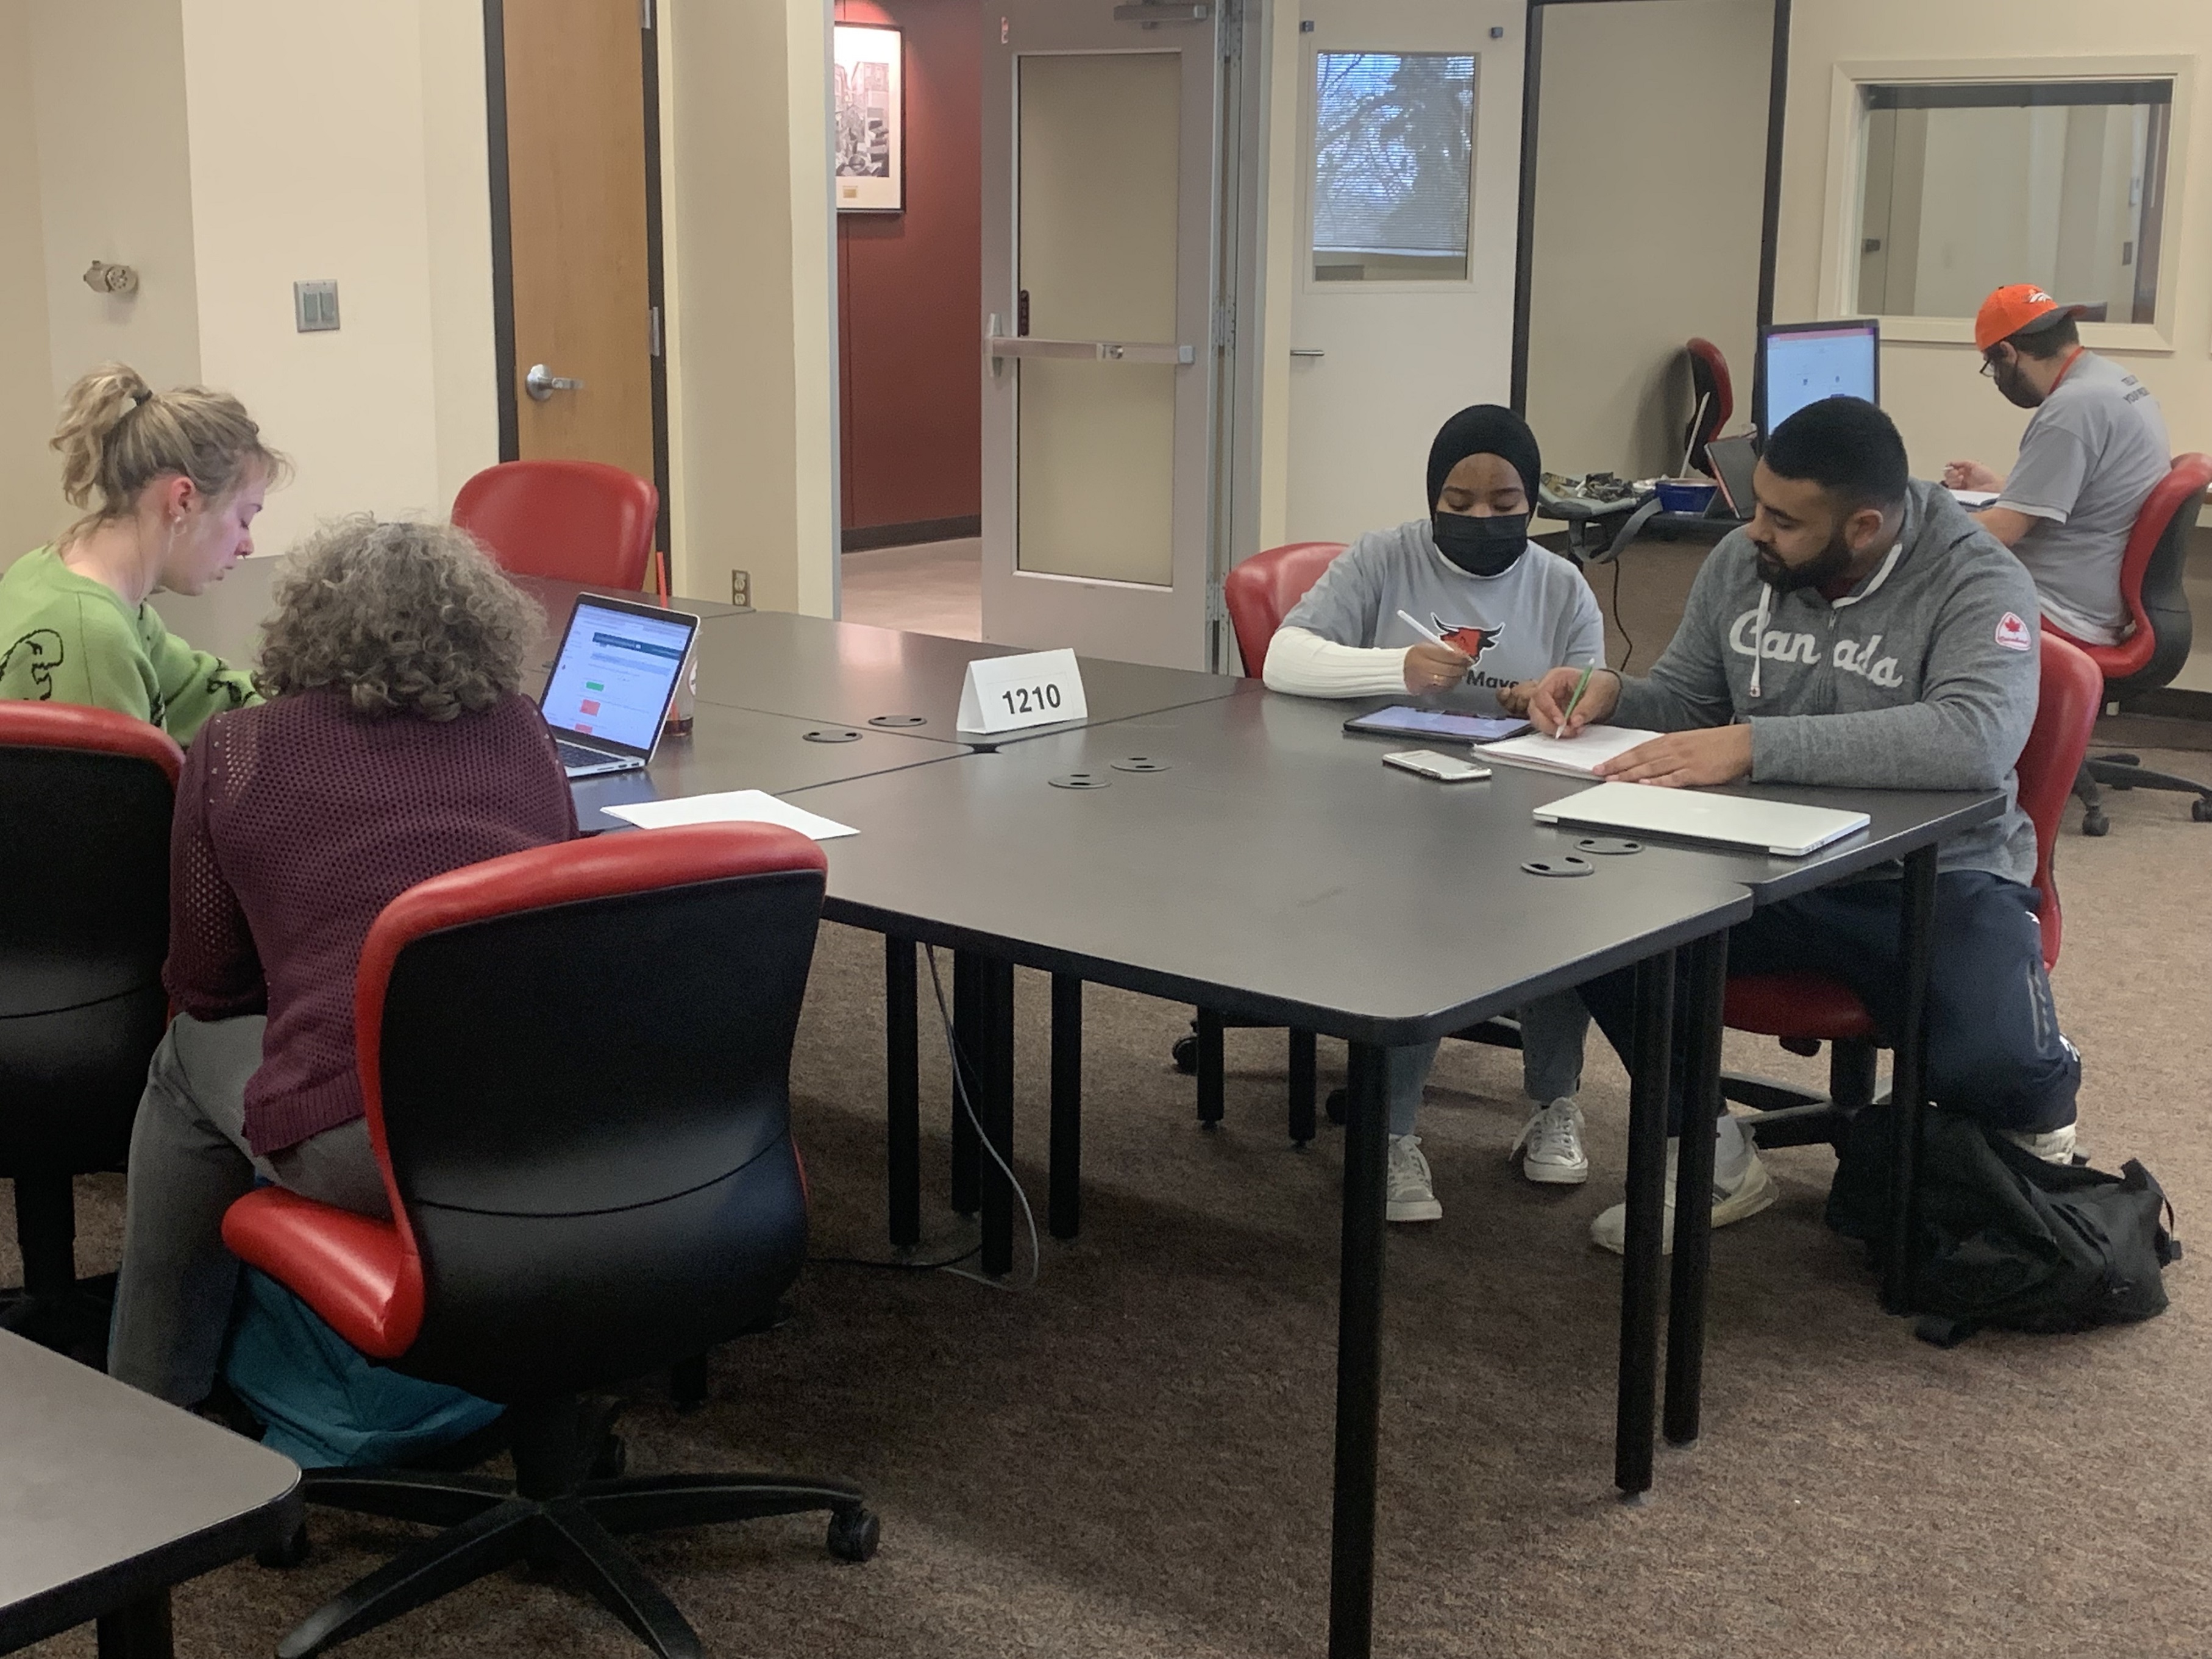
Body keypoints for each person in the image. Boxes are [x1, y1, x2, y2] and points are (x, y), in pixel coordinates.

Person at [1507, 397, 2080, 1252]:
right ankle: (1711, 1149)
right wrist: (1618, 693)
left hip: (1932, 875)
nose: (1752, 530)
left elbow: (1974, 736)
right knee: (1596, 924)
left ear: (1864, 526)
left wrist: (1755, 745)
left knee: (2000, 1076)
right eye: (1758, 503)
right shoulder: (1748, 565)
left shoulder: (1977, 577)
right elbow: (1694, 704)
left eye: (1782, 518)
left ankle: (2036, 1082)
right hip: (1760, 857)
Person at [107, 517, 578, 1408]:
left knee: (183, 1062)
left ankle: (150, 1409)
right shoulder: (526, 732)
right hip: (545, 1119)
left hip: (370, 1143)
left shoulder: (237, 749)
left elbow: (209, 984)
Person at [1263, 403, 1604, 1223]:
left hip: (1512, 802)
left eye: (1503, 503)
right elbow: (1284, 655)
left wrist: (1555, 702)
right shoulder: (1385, 558)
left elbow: (1594, 696)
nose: (1482, 520)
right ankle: (1390, 1134)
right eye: (1458, 504)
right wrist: (1395, 665)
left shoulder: (1559, 583)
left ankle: (1555, 1101)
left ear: (1532, 500)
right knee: (1415, 916)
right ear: (1431, 498)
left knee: (1572, 908)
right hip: (1385, 803)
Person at [1, 363, 274, 740]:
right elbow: (117, 795)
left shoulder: (50, 569)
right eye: (244, 519)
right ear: (183, 500)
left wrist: (308, 707)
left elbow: (198, 690)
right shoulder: (94, 639)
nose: (247, 546)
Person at [1941, 284, 2169, 646]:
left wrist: (1915, 518)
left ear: (2007, 352)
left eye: (1992, 366)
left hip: (2058, 608)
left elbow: (2003, 532)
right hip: (2095, 592)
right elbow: (2094, 490)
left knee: (1910, 590)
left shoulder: (2073, 408)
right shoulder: (2112, 381)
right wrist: (2004, 487)